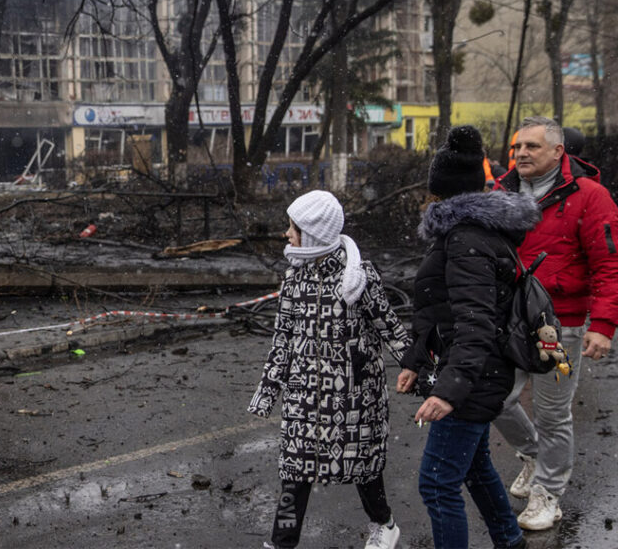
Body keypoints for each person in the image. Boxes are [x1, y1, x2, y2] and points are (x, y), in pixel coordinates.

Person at [397, 125, 539, 549]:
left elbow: (475, 325)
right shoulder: (463, 234)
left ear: (442, 196)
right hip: (475, 372)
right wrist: (414, 360)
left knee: (438, 483)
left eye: (432, 195)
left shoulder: (466, 241)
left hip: (475, 377)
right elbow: (438, 309)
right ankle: (509, 539)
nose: (427, 202)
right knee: (474, 468)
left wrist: (449, 393)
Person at [248, 190, 412, 549]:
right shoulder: (294, 278)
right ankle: (282, 543)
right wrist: (267, 391)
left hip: (354, 398)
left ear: (314, 233)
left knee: (364, 471)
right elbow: (283, 339)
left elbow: (390, 328)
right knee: (294, 475)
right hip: (302, 397)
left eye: (293, 228)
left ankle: (384, 524)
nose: (287, 234)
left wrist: (422, 373)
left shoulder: (358, 276)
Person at [491, 116, 618, 530]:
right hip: (508, 321)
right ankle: (532, 455)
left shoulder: (590, 197)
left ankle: (549, 493)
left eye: (532, 146)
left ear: (559, 152)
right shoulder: (500, 193)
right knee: (495, 399)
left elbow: (609, 263)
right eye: (517, 147)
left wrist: (601, 324)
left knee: (553, 414)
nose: (522, 154)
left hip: (558, 325)